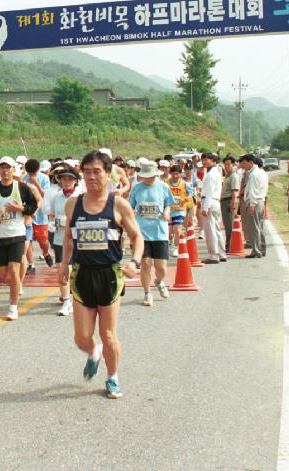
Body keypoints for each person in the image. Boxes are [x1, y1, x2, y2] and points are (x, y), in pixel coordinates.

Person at [58, 151, 142, 399]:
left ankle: (112, 377)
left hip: (110, 275)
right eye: (87, 172)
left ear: (108, 174)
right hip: (82, 274)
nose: (92, 176)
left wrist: (135, 262)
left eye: (97, 171)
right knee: (82, 337)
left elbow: (137, 237)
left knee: (108, 334)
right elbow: (68, 236)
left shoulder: (118, 204)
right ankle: (92, 352)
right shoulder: (73, 203)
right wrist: (64, 264)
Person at [0, 156, 39, 321]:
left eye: (8, 168)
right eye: (2, 168)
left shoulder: (21, 187)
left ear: (13, 170)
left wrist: (20, 208)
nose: (5, 171)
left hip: (17, 235)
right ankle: (14, 288)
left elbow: (33, 206)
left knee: (13, 269)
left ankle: (13, 307)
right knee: (4, 275)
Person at [129, 159, 176, 306]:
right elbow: (130, 207)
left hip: (159, 231)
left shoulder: (163, 186)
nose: (148, 179)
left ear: (156, 175)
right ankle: (147, 293)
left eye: (151, 176)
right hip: (142, 233)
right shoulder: (136, 188)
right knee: (146, 263)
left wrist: (167, 212)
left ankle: (159, 281)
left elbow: (169, 203)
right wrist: (133, 211)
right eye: (146, 176)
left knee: (161, 267)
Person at [48, 165, 80, 316]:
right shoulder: (56, 197)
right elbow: (52, 215)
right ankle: (66, 300)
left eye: (70, 179)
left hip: (78, 240)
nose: (66, 182)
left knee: (75, 269)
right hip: (60, 238)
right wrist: (54, 224)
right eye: (64, 179)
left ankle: (75, 297)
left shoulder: (81, 196)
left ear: (76, 181)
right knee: (62, 268)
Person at [24, 159, 54, 268]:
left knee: (43, 240)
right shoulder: (23, 179)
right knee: (28, 240)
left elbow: (45, 195)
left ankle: (45, 253)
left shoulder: (44, 178)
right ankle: (31, 264)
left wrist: (36, 183)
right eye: (30, 173)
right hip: (28, 215)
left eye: (34, 173)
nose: (31, 175)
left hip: (41, 215)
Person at [199, 153, 227, 264]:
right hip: (214, 202)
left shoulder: (211, 174)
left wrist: (205, 207)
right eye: (203, 159)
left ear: (213, 161)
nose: (204, 161)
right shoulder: (214, 172)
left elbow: (209, 192)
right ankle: (221, 253)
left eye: (207, 160)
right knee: (216, 229)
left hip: (209, 202)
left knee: (211, 231)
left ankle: (213, 255)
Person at [240, 154, 268, 258]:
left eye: (244, 163)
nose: (243, 166)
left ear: (251, 162)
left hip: (254, 203)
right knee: (259, 227)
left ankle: (256, 250)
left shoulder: (253, 174)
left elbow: (252, 191)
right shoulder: (262, 172)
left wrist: (251, 205)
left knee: (253, 228)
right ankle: (262, 248)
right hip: (260, 201)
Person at [165, 164, 190, 255]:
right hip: (168, 210)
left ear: (180, 174)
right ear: (170, 173)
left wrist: (185, 199)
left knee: (177, 230)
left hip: (180, 209)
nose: (175, 176)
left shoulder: (184, 183)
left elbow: (190, 194)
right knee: (169, 231)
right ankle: (169, 243)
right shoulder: (166, 183)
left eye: (177, 174)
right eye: (173, 174)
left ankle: (175, 248)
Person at [220, 156, 242, 253]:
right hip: (224, 201)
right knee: (227, 224)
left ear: (233, 164)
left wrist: (233, 203)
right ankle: (229, 244)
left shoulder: (234, 176)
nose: (227, 166)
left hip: (229, 201)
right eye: (225, 164)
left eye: (229, 164)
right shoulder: (227, 176)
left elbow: (235, 191)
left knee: (230, 225)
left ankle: (230, 245)